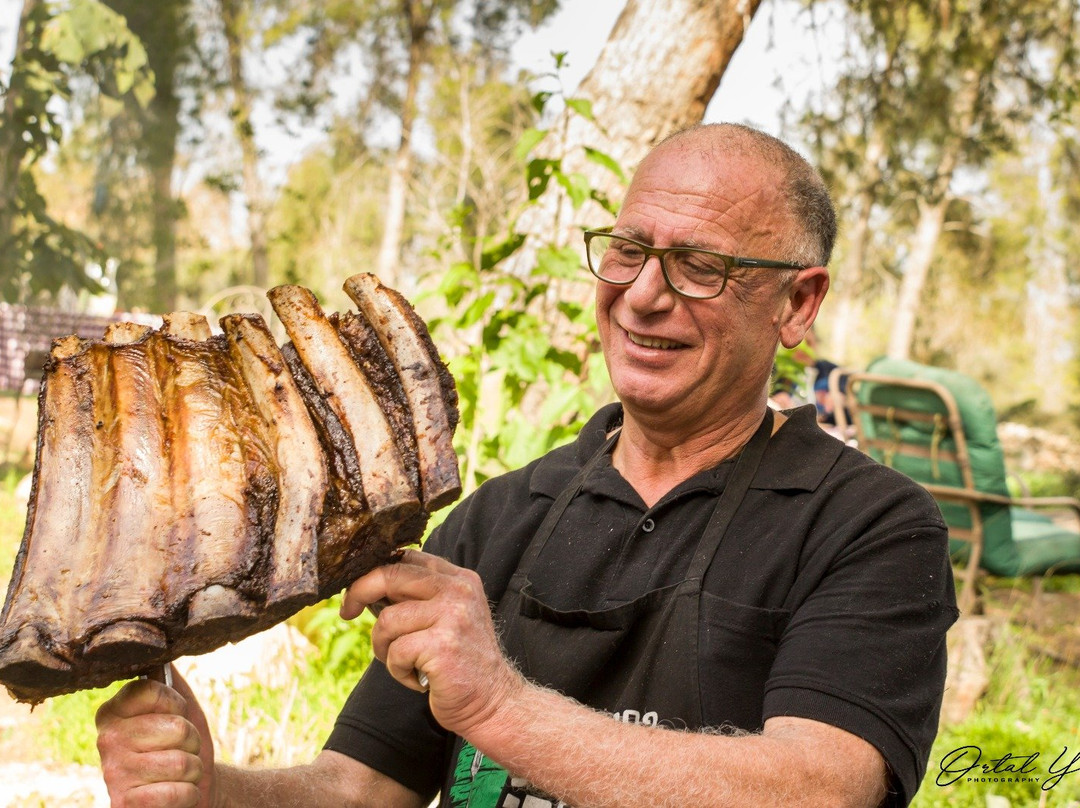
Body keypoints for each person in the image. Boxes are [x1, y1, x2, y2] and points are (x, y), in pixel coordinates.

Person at [95, 123, 957, 808]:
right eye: (628, 250)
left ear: (798, 302)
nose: (645, 295)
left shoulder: (869, 527)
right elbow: (359, 790)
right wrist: (212, 792)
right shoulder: (503, 515)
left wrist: (498, 706)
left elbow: (819, 789)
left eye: (700, 266)